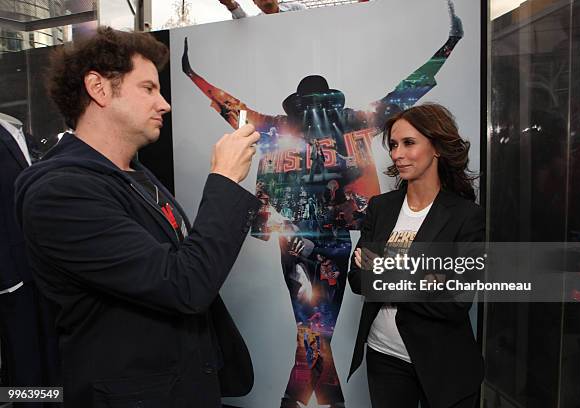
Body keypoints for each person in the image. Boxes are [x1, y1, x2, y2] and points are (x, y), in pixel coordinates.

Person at [182, 2, 464, 406]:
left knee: (312, 330)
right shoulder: (344, 120)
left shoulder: (279, 129)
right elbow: (404, 93)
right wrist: (448, 46)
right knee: (315, 330)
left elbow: (233, 107)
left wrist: (194, 76)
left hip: (311, 241)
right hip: (316, 240)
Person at [14, 27, 261, 408]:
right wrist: (225, 179)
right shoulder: (59, 193)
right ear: (98, 88)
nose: (164, 104)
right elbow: (185, 284)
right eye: (148, 88)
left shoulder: (134, 174)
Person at [348, 103, 485, 408]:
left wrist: (383, 270)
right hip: (383, 357)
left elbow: (457, 300)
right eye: (394, 145)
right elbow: (357, 279)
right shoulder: (380, 207)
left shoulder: (465, 216)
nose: (397, 153)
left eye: (409, 143)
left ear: (436, 147)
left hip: (444, 364)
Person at [0, 117, 60, 407]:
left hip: (39, 264)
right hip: (13, 276)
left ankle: (52, 400)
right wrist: (5, 280)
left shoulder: (20, 131)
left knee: (47, 351)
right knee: (24, 360)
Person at [219, 0, 306, 19]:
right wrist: (231, 5)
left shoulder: (297, 8)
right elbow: (242, 20)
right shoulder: (256, 23)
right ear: (254, 2)